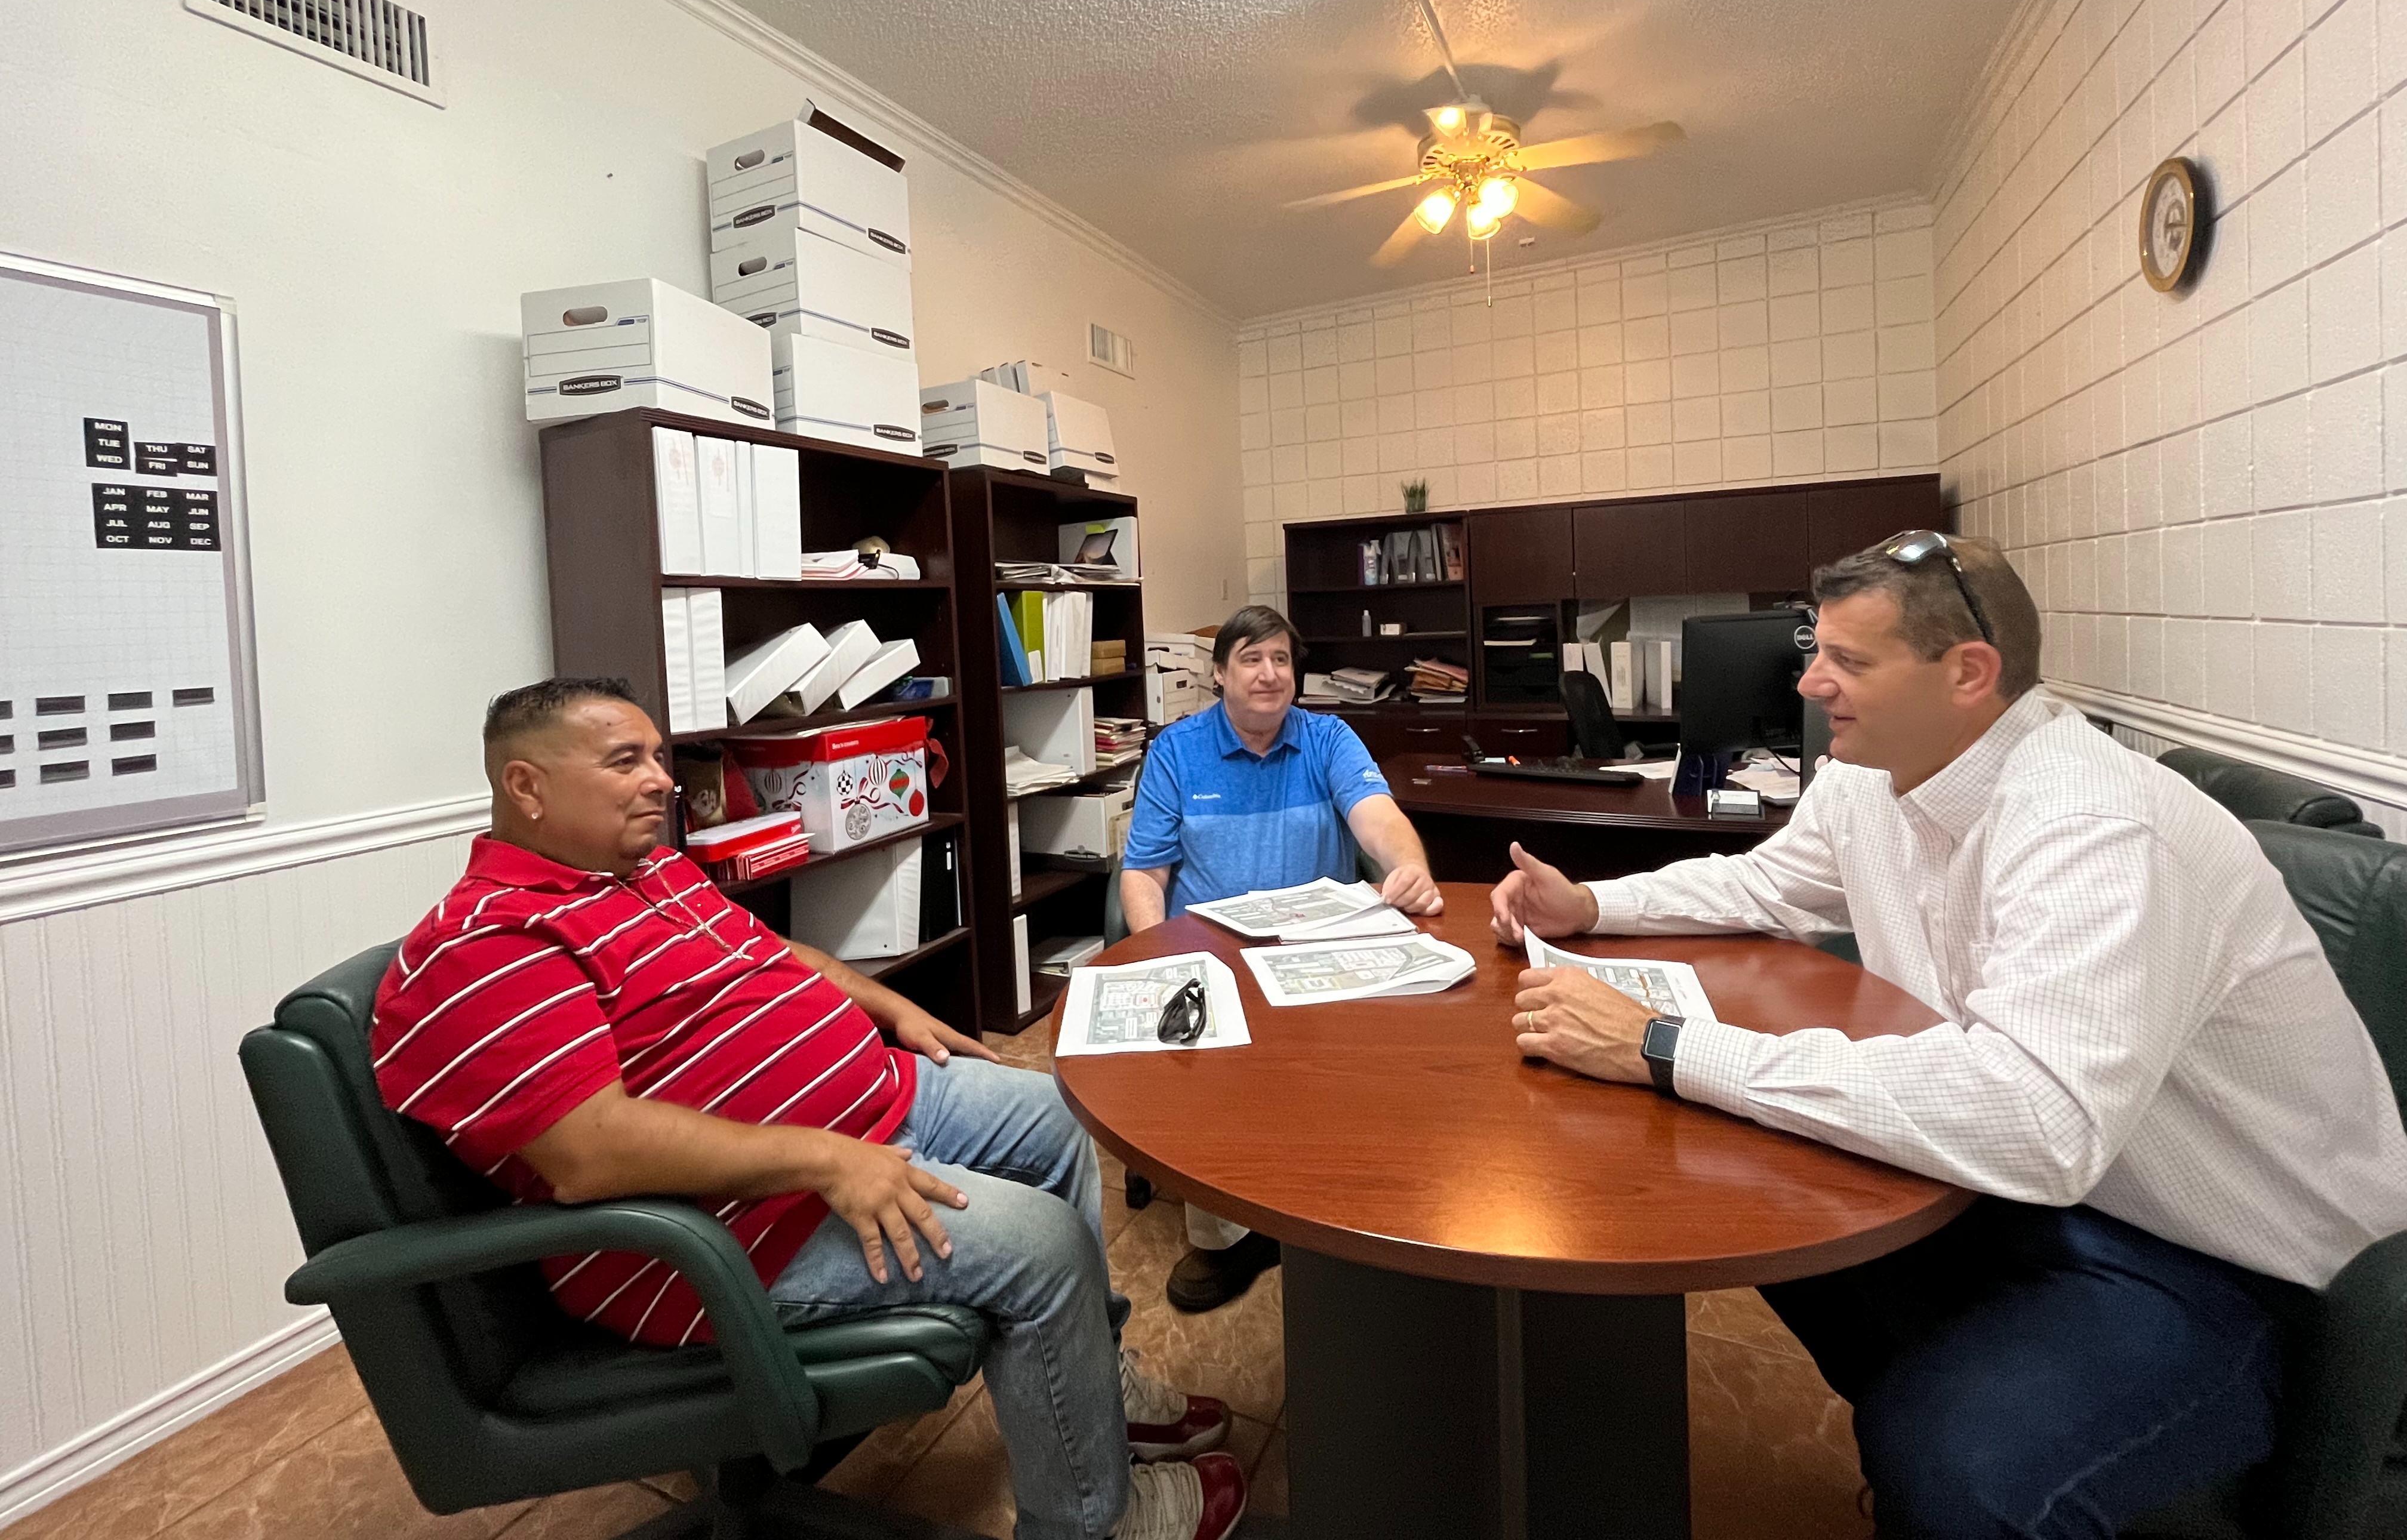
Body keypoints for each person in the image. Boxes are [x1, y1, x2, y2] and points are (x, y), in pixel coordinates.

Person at [1491, 532, 2407, 1539]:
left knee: (1954, 1459)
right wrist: (1586, 902)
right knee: (1756, 1202)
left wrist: (1663, 1046)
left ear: (1967, 672)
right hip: (2051, 1196)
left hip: (2231, 1265)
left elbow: (2034, 1121)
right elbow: (1765, 884)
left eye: (1847, 659)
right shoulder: (1871, 773)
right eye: (1815, 648)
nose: (1810, 679)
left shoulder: (2093, 824)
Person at [373, 679, 1246, 1540]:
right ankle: (1095, 1521)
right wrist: (826, 1159)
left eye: (659, 757)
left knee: (1060, 1116)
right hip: (730, 1232)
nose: (662, 780)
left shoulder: (649, 871)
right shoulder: (489, 943)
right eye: (625, 761)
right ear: (526, 786)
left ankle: (1094, 1382)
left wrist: (889, 1007)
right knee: (1039, 1246)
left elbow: (772, 951)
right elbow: (590, 1152)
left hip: (872, 1107)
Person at [1121, 603, 1442, 1312]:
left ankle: (1326, 1205)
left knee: (1360, 1067)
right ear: (1218, 675)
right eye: (1251, 659)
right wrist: (1158, 956)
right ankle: (1224, 1241)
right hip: (1213, 957)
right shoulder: (1177, 751)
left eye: (1282, 660)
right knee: (1212, 1079)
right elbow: (1145, 873)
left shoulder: (1328, 737)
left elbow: (1376, 816)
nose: (1270, 675)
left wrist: (1409, 864)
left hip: (1314, 953)